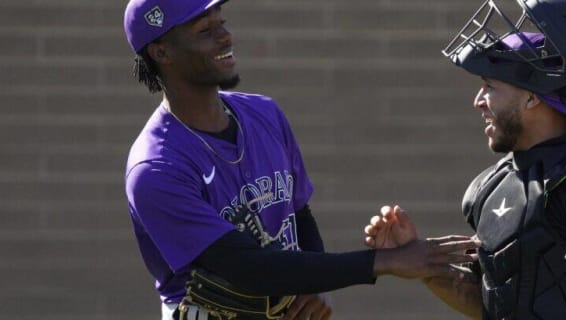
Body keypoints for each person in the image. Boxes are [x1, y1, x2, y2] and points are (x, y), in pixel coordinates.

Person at [122, 0, 480, 319]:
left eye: (222, 22)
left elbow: (298, 214)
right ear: (162, 53)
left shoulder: (263, 113)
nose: (225, 37)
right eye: (205, 30)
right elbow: (244, 267)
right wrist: (384, 263)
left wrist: (310, 288)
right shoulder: (157, 166)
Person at [364, 0, 566, 319]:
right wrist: (416, 260)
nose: (478, 102)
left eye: (489, 86)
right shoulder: (491, 186)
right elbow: (494, 302)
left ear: (533, 97)